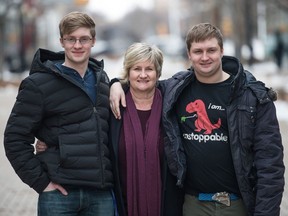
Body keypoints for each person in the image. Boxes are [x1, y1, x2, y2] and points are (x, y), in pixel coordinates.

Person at [109, 23, 285, 216]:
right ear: (189, 54)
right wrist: (116, 84)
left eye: (211, 50)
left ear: (222, 51)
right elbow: (143, 82)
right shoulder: (176, 90)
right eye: (198, 51)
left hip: (237, 205)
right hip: (193, 205)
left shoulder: (251, 97)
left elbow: (271, 164)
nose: (205, 57)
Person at [36, 42, 184, 216]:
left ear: (158, 72)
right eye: (137, 69)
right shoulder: (112, 106)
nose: (143, 75)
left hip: (166, 202)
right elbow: (83, 128)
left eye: (149, 69)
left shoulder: (171, 103)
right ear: (128, 71)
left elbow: (194, 74)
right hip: (121, 203)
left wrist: (115, 83)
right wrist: (50, 140)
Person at [4, 11, 115, 216]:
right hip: (59, 196)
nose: (77, 45)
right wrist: (42, 183)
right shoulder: (38, 84)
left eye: (84, 39)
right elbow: (14, 138)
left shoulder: (103, 81)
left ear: (93, 41)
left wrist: (116, 84)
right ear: (61, 42)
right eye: (70, 39)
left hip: (101, 194)